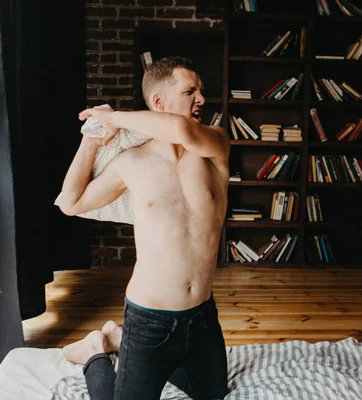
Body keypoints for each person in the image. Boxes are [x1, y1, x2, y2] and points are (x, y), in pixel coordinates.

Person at [58, 56, 231, 400]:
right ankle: (96, 351)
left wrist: (111, 116)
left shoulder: (215, 145)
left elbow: (182, 130)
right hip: (149, 319)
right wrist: (93, 137)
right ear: (158, 102)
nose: (201, 99)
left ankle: (119, 340)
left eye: (201, 91)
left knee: (212, 394)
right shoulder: (131, 163)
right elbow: (70, 203)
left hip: (202, 318)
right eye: (190, 91)